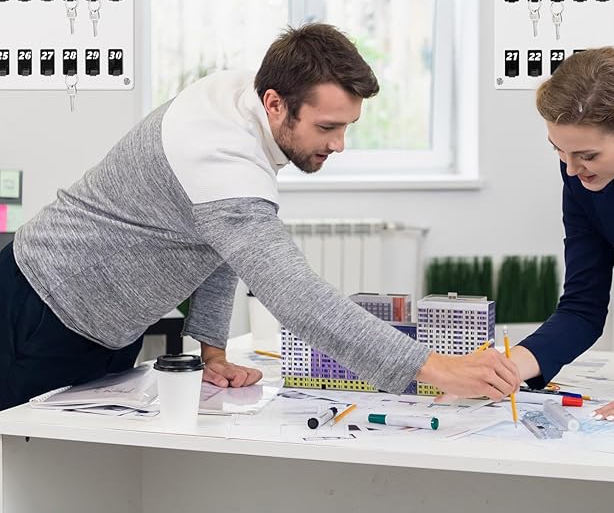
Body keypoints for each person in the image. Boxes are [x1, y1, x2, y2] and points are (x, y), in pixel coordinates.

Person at [1, 23, 520, 410]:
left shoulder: (239, 103)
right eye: (328, 127)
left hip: (105, 324)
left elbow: (214, 241)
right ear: (275, 103)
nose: (339, 144)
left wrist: (212, 351)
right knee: (22, 468)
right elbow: (295, 297)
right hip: (42, 305)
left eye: (347, 127)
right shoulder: (220, 152)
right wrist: (434, 368)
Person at [511, 46, 614, 422]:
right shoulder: (584, 179)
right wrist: (509, 366)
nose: (572, 169)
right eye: (558, 150)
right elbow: (582, 307)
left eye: (587, 155)